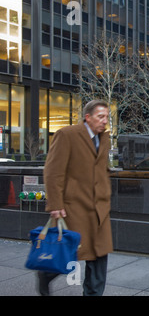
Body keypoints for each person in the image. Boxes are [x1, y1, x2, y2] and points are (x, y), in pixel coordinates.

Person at [38, 99, 113, 296]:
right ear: (87, 117)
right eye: (100, 117)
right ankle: (45, 274)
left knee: (99, 254)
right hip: (74, 207)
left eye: (106, 117)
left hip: (100, 208)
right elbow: (53, 171)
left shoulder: (104, 139)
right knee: (67, 253)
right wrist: (55, 204)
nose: (104, 121)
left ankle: (93, 294)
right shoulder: (67, 135)